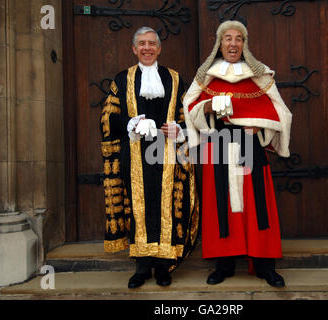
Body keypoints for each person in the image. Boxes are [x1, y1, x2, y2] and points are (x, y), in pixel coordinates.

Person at [183, 20, 292, 287]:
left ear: (245, 44)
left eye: (238, 39)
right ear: (219, 44)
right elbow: (189, 105)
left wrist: (260, 125)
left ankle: (265, 265)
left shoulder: (260, 74)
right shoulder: (207, 74)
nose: (233, 43)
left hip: (250, 146)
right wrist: (207, 107)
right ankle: (224, 265)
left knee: (258, 206)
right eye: (228, 38)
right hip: (219, 145)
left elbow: (280, 111)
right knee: (220, 205)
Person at [100, 26, 199, 289]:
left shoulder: (175, 79)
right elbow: (108, 118)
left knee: (165, 206)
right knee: (138, 208)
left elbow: (189, 116)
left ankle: (164, 266)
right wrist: (131, 123)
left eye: (151, 43)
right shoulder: (121, 80)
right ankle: (142, 267)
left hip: (168, 155)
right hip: (134, 156)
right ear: (134, 49)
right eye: (141, 43)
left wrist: (180, 130)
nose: (147, 48)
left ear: (159, 48)